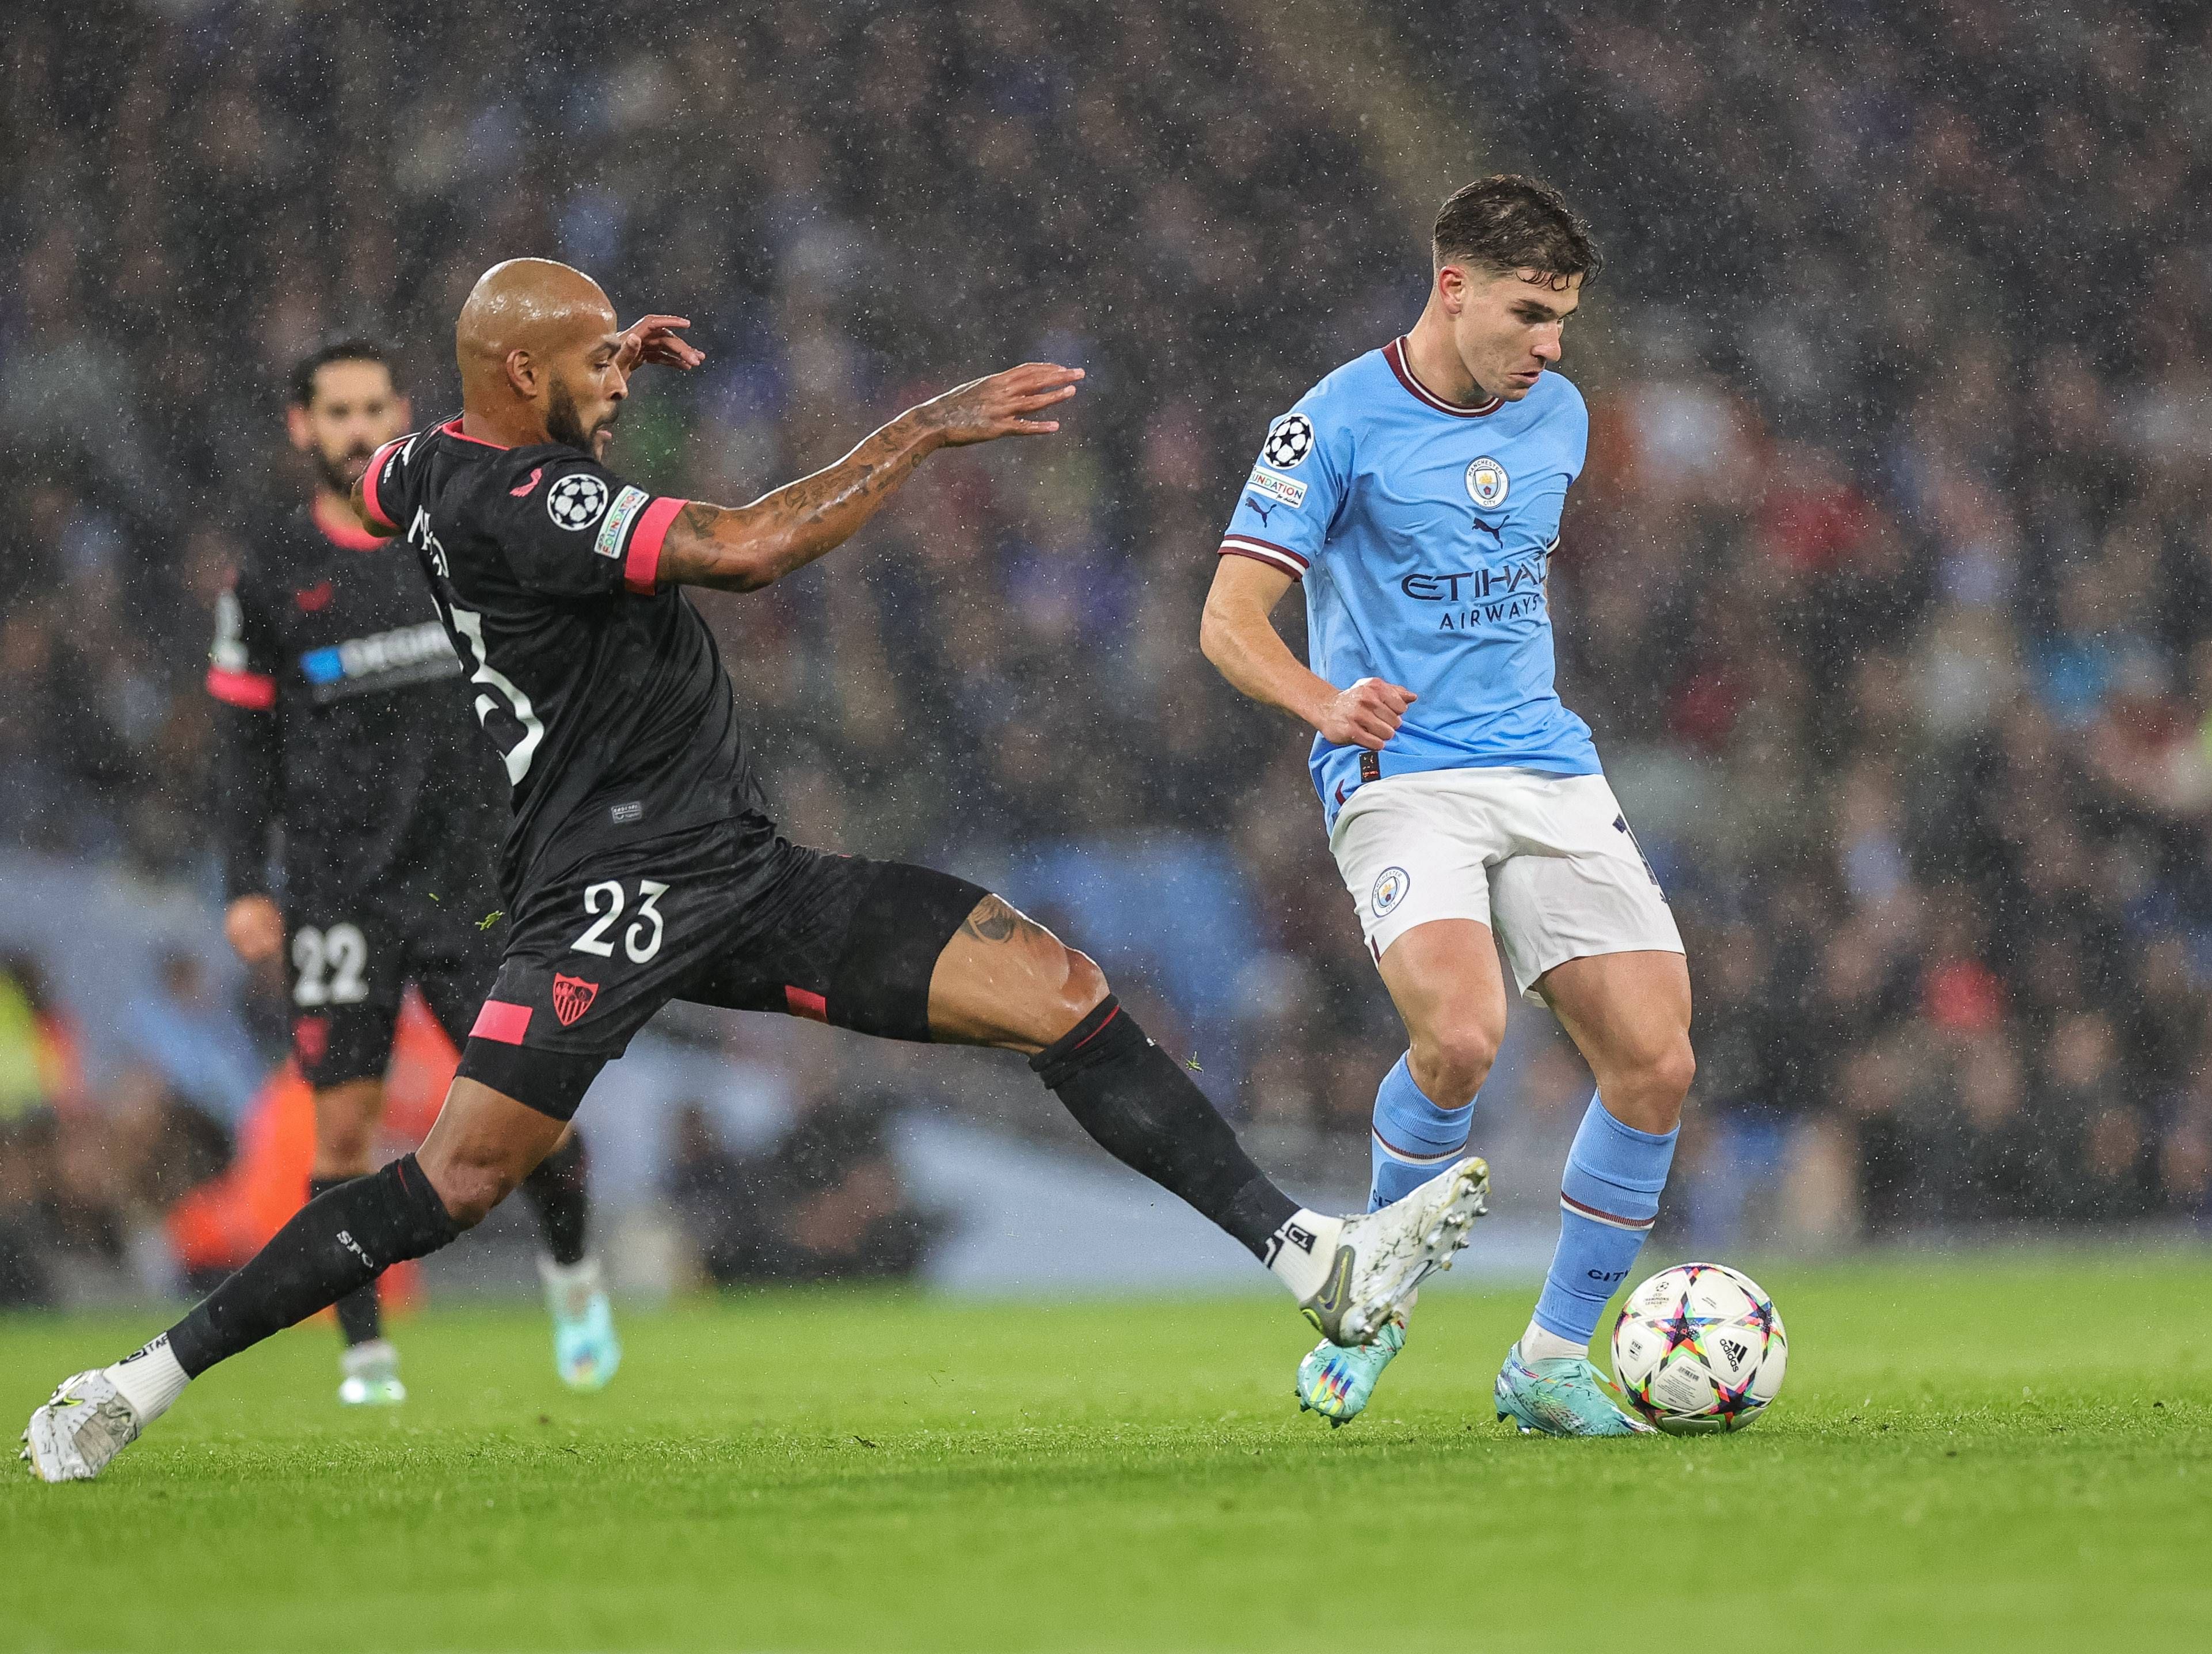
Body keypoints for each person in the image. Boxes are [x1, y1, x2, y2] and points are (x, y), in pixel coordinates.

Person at [24, 259, 1486, 1483]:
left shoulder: (425, 467)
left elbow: (430, 456)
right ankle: (139, 1379)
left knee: (1051, 985)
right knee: (458, 1176)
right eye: (597, 363)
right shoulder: (525, 506)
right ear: (528, 383)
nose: (622, 379)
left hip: (733, 865)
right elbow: (748, 544)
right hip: (610, 886)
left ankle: (1316, 1261)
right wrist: (921, 429)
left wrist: (588, 377)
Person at [1200, 177, 1691, 1436]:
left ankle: (1545, 1361)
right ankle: (1372, 1305)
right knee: (1461, 1036)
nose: (1551, 346)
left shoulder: (1564, 414)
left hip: (1546, 764)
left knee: (1653, 1062)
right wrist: (1320, 702)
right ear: (1451, 285)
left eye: (1565, 320)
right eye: (1531, 313)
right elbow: (1226, 622)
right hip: (1402, 774)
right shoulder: (1331, 422)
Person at [209, 340, 607, 1406]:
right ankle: (367, 1353)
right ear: (302, 427)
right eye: (333, 410)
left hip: (476, 881)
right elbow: (240, 748)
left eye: (371, 405)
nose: (352, 426)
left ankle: (571, 1272)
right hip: (338, 892)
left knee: (537, 1118)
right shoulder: (269, 575)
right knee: (341, 1127)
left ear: (402, 412)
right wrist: (245, 883)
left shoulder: (456, 535)